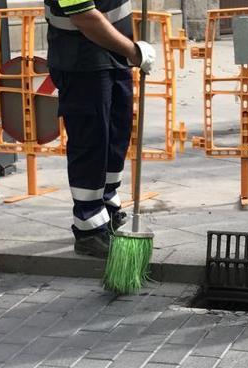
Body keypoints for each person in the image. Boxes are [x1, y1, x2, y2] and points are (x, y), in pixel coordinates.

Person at [45, 0, 156, 257]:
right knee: (91, 142)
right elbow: (85, 17)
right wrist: (133, 52)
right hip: (81, 61)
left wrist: (128, 52)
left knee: (116, 137)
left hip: (113, 55)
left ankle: (107, 203)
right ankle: (89, 226)